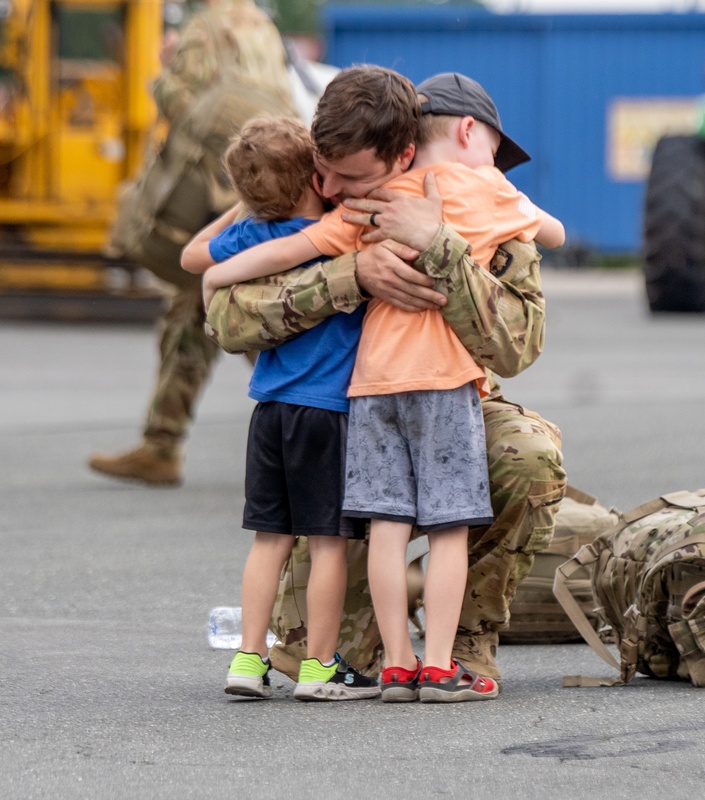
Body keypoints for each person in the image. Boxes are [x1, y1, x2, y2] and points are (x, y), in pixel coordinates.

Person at [196, 69, 565, 701]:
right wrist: (350, 276)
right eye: (324, 168)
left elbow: (516, 345)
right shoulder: (312, 173)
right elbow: (227, 314)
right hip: (332, 412)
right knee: (328, 634)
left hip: (447, 394)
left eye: (351, 177)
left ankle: (465, 639)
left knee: (526, 458)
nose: (331, 187)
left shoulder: (473, 201)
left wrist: (439, 246)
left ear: (402, 153)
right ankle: (365, 637)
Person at [180, 116, 378, 701]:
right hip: (327, 412)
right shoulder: (337, 231)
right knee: (327, 546)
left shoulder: (250, 237)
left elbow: (194, 256)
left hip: (269, 411)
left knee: (268, 540)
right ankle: (319, 669)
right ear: (318, 180)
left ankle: (248, 658)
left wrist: (242, 206)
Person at [88, 0, 294, 486]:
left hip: (214, 190)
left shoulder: (204, 28)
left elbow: (191, 111)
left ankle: (316, 436)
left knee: (237, 313)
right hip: (258, 186)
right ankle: (162, 442)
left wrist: (163, 75)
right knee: (198, 312)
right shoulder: (262, 27)